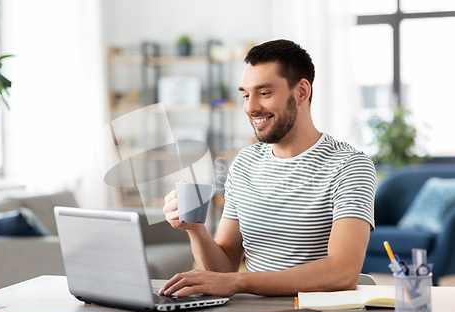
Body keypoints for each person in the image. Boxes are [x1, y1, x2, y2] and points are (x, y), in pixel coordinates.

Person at [160, 39, 376, 297]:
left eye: (264, 93)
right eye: (245, 95)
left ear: (301, 92)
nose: (251, 107)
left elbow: (342, 272)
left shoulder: (349, 166)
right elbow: (225, 267)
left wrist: (241, 282)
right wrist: (195, 228)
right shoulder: (245, 163)